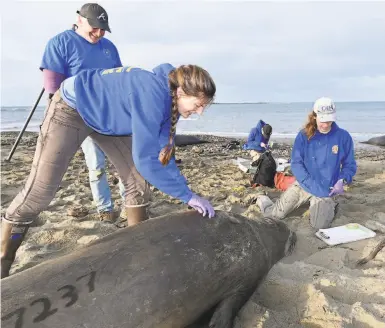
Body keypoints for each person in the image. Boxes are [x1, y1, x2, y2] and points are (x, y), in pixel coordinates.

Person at [0, 63, 216, 278]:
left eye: (204, 107)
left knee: (137, 182)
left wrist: (188, 194)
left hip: (107, 120)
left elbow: (163, 155)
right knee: (40, 192)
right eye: (197, 105)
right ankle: (3, 259)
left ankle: (137, 249)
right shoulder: (153, 96)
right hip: (72, 107)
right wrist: (185, 195)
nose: (199, 112)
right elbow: (145, 161)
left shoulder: (170, 103)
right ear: (180, 91)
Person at [40, 3, 125, 223]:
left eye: (103, 29)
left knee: (125, 161)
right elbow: (52, 87)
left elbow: (118, 80)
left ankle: (129, 205)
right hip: (79, 114)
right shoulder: (60, 42)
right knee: (96, 164)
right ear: (80, 20)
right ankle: (105, 209)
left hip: (109, 114)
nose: (98, 33)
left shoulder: (109, 47)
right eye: (94, 27)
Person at [255, 97, 357, 229]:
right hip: (304, 185)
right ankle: (263, 200)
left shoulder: (343, 137)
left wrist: (342, 180)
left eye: (329, 120)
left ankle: (332, 204)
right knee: (274, 215)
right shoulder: (303, 135)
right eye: (322, 120)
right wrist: (312, 186)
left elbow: (350, 165)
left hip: (327, 190)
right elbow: (296, 164)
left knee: (319, 225)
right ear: (315, 116)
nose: (326, 125)